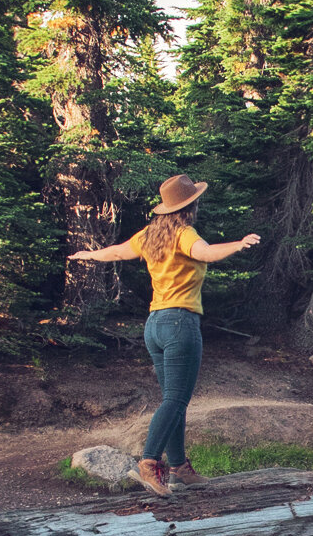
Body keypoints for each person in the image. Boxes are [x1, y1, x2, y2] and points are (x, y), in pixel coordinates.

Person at [68, 176, 260, 495]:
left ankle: (180, 467)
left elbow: (116, 252)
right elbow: (207, 252)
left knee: (174, 400)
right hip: (180, 324)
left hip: (154, 325)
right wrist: (238, 244)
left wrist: (88, 255)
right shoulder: (184, 234)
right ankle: (149, 463)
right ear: (190, 206)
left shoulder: (150, 235)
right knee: (176, 399)